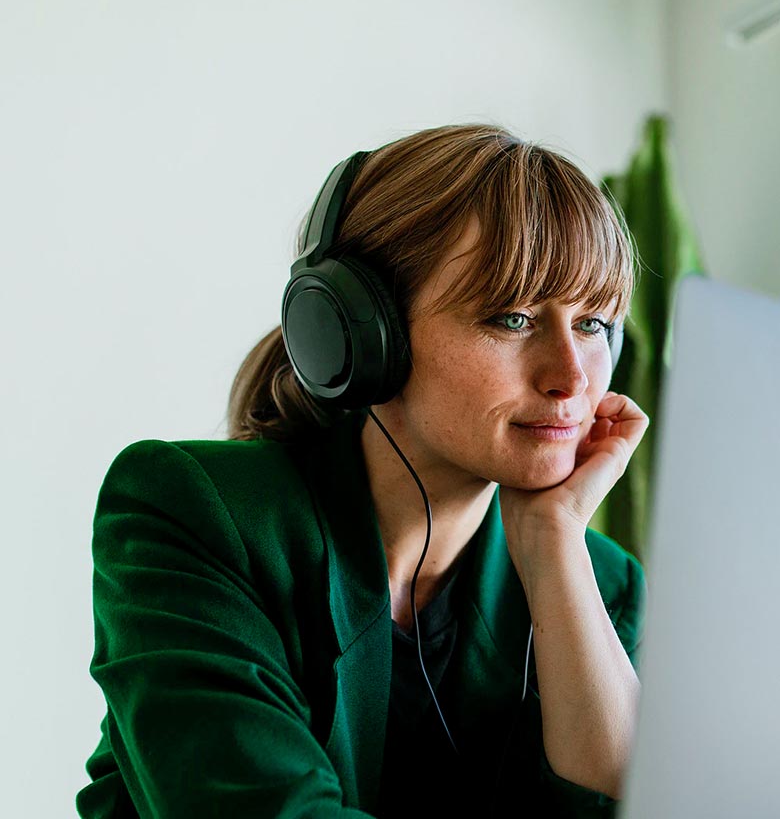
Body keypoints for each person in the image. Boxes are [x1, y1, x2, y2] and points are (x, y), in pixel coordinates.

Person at [76, 123, 649, 819]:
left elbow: (635, 797)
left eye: (593, 324)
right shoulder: (195, 513)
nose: (570, 378)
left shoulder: (602, 582)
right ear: (359, 329)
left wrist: (554, 538)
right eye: (512, 317)